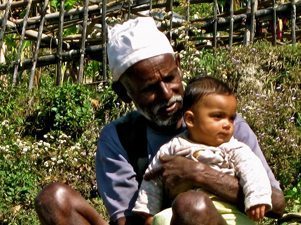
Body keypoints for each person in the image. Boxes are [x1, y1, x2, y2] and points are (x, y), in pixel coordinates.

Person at [34, 16, 285, 225]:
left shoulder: (224, 125)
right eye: (149, 89)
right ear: (123, 93)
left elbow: (277, 205)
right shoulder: (120, 139)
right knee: (53, 199)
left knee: (193, 207)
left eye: (169, 78)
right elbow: (130, 219)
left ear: (178, 66)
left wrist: (199, 173)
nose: (167, 95)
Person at [133, 76, 272, 225]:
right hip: (181, 212)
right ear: (191, 119)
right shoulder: (172, 148)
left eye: (231, 118)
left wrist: (257, 199)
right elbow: (152, 179)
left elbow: (253, 172)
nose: (228, 124)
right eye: (218, 116)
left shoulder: (235, 148)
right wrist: (147, 211)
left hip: (228, 213)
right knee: (162, 220)